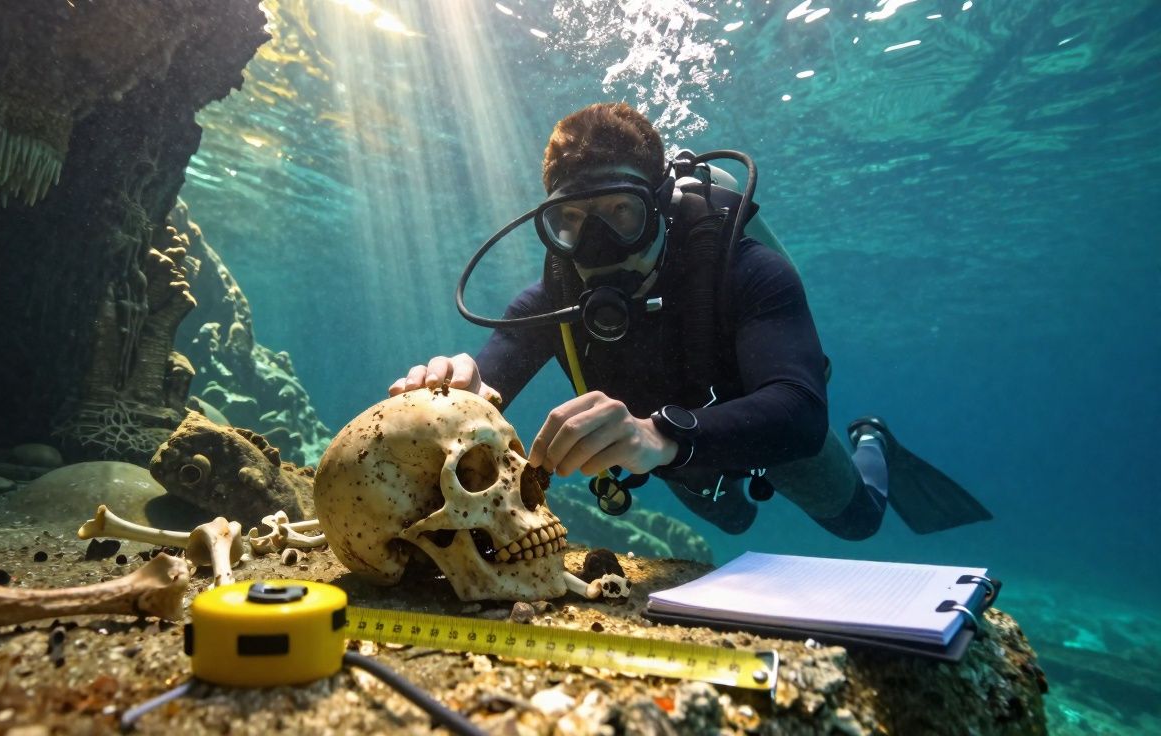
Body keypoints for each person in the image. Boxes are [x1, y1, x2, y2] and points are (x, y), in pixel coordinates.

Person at [390, 102, 990, 539]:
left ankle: (873, 439)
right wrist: (460, 387)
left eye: (622, 213)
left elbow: (801, 413)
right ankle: (713, 483)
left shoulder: (746, 271)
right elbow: (491, 373)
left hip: (759, 428)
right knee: (732, 519)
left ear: (659, 209)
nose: (596, 245)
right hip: (678, 450)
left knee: (857, 522)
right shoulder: (555, 297)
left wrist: (660, 436)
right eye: (571, 221)